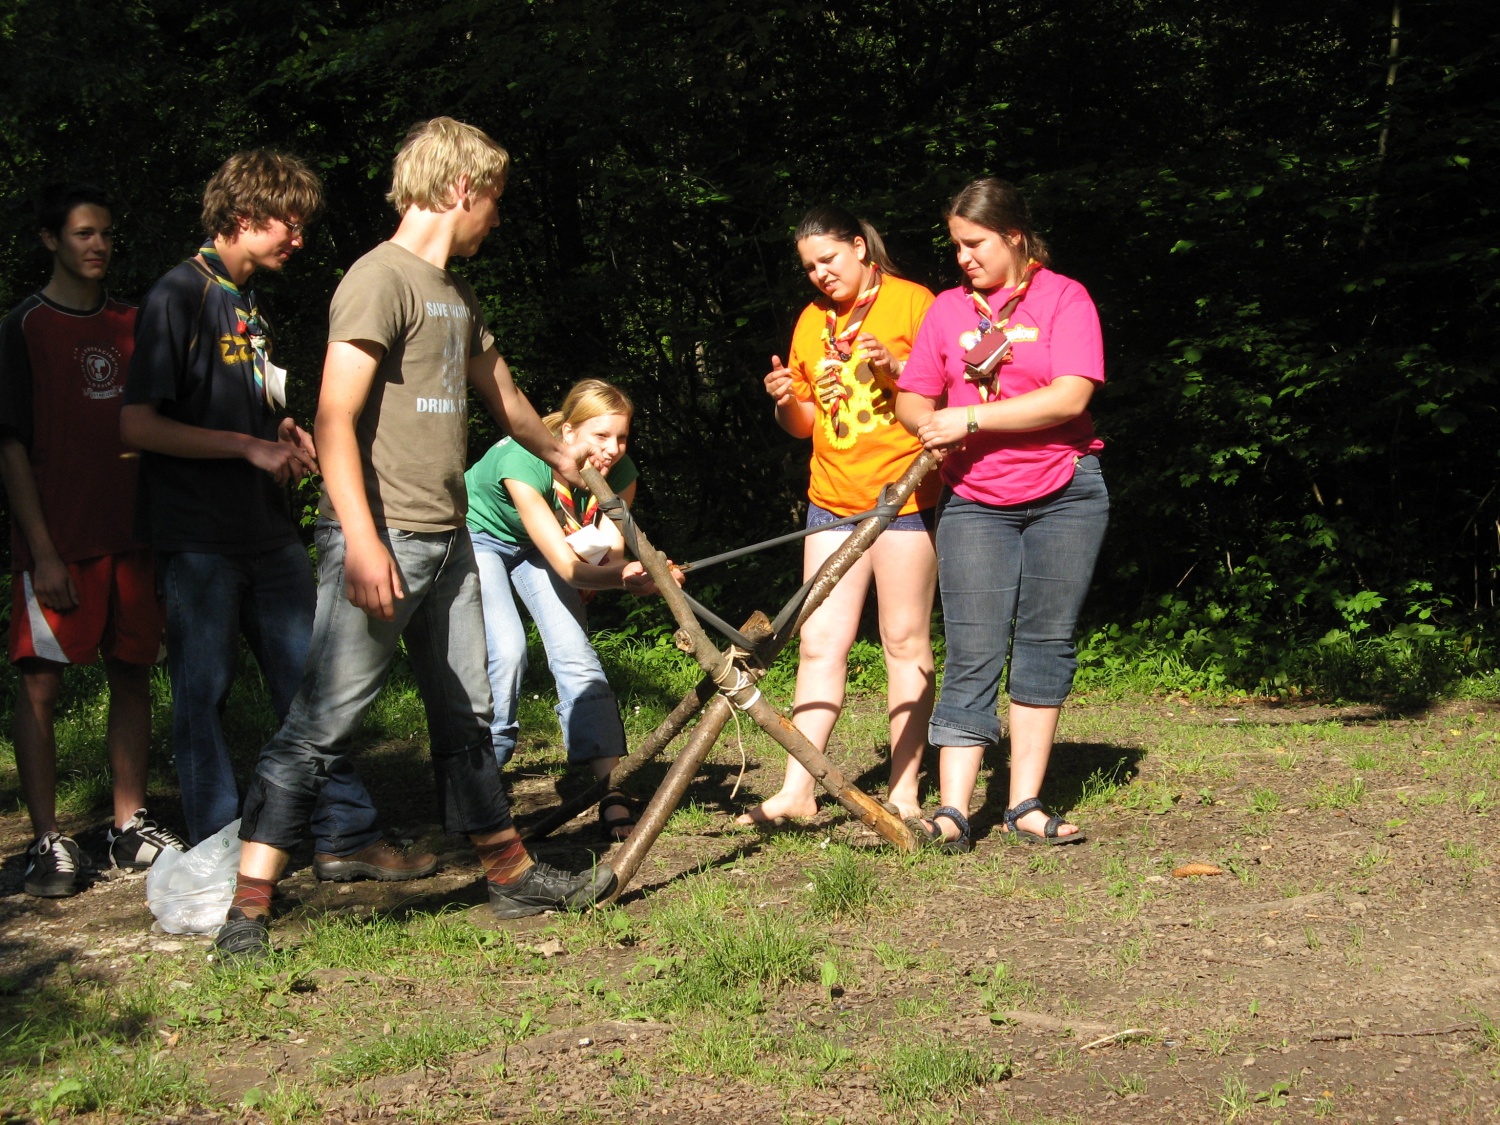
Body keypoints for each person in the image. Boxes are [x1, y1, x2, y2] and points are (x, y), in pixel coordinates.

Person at [216, 117, 615, 961]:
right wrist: (359, 540)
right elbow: (333, 414)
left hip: (450, 539)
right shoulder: (378, 279)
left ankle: (507, 874)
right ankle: (247, 911)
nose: (498, 219)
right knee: (323, 720)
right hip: (384, 536)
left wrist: (565, 455)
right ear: (462, 188)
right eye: (496, 200)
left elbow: (506, 400)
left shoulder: (456, 297)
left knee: (468, 710)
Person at [121, 152, 431, 884]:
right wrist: (246, 449)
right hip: (198, 538)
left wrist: (283, 431)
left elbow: (243, 395)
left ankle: (345, 836)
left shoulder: (244, 299)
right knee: (204, 694)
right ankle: (222, 855)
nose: (299, 236)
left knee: (317, 683)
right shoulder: (178, 294)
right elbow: (136, 425)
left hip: (266, 532)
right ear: (242, 216)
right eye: (288, 221)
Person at [895, 177, 1108, 851]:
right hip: (975, 501)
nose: (962, 257)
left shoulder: (1064, 297)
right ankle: (954, 810)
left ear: (1014, 236)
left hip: (1066, 492)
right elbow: (912, 398)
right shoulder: (946, 310)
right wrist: (930, 421)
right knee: (972, 648)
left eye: (975, 243)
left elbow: (1070, 397)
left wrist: (972, 415)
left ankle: (1024, 803)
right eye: (956, 244)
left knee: (1047, 642)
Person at [0, 184, 184, 897]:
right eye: (83, 233)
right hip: (59, 540)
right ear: (51, 240)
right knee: (41, 682)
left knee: (132, 670)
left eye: (106, 232)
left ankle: (127, 822)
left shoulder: (133, 323)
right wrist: (41, 549)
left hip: (131, 538)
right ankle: (47, 837)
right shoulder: (23, 327)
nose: (98, 244)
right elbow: (10, 448)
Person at [737, 205, 941, 826]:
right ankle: (797, 791)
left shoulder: (913, 303)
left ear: (859, 247)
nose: (821, 274)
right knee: (819, 642)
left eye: (829, 259)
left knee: (903, 641)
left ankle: (904, 790)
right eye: (809, 267)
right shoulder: (811, 321)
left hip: (905, 497)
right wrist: (785, 401)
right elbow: (804, 423)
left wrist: (894, 369)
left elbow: (946, 395)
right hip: (830, 499)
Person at [466, 378, 670, 841]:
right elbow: (569, 568)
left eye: (621, 437)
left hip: (538, 545)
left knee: (575, 654)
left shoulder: (620, 472)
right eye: (601, 436)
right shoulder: (524, 459)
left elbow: (612, 556)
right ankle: (481, 788)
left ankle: (612, 789)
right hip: (479, 537)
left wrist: (644, 574)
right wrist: (623, 576)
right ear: (569, 433)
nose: (613, 448)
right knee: (509, 650)